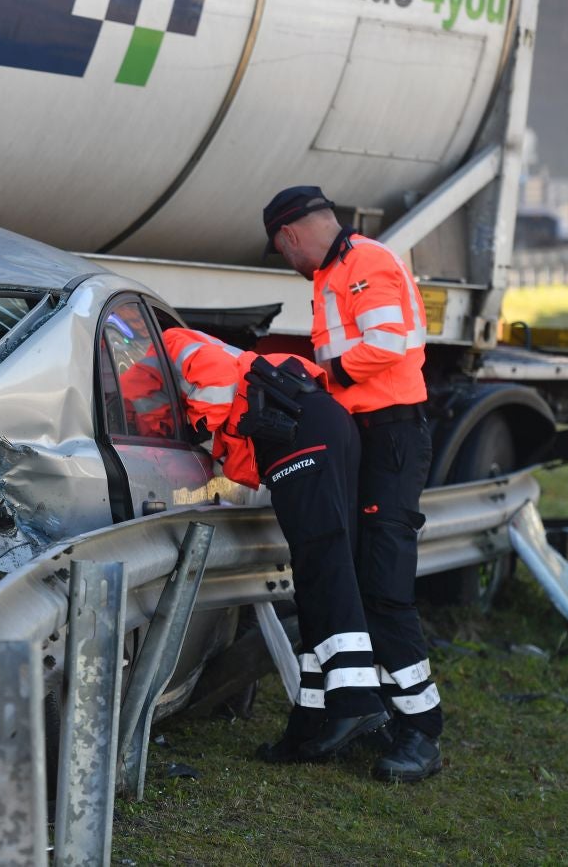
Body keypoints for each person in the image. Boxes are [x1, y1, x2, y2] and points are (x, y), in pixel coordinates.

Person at [262, 185, 443, 782]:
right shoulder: (334, 273)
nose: (288, 261)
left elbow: (387, 344)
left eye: (282, 250)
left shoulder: (363, 262)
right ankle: (347, 713)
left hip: (391, 435)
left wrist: (325, 376)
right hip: (366, 434)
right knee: (348, 578)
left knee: (383, 583)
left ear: (290, 235)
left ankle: (420, 731)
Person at [161, 327, 388, 764]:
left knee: (323, 566)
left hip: (297, 434)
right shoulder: (162, 354)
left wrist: (193, 432)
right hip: (315, 425)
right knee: (316, 572)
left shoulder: (168, 344)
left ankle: (356, 702)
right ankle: (311, 721)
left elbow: (214, 387)